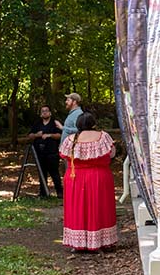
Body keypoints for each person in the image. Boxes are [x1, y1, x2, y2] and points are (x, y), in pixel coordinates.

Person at [59, 112, 118, 251]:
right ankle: (100, 241)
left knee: (77, 208)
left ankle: (78, 243)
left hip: (75, 178)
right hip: (98, 176)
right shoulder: (103, 137)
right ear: (93, 123)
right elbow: (112, 153)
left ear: (78, 124)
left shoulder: (70, 139)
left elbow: (64, 156)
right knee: (99, 207)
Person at [28, 105, 64, 198]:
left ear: (50, 113)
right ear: (40, 114)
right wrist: (37, 135)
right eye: (43, 111)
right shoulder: (37, 123)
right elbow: (30, 135)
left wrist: (49, 135)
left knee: (54, 173)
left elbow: (60, 135)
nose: (44, 112)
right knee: (41, 173)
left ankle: (59, 192)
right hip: (39, 152)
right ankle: (43, 192)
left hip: (52, 152)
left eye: (46, 111)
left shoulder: (54, 123)